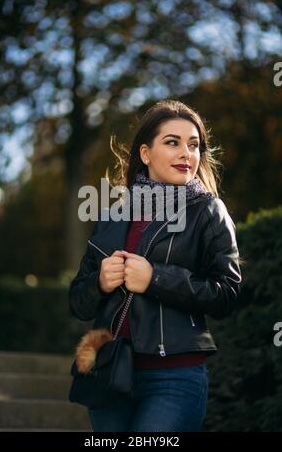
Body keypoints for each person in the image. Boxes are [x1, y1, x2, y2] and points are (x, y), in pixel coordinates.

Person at [68, 99, 242, 432]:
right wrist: (99, 284)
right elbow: (77, 300)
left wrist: (156, 278)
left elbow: (228, 294)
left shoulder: (208, 212)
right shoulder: (112, 216)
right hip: (108, 371)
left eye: (193, 145)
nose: (186, 153)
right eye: (172, 142)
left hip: (175, 377)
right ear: (146, 154)